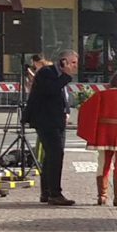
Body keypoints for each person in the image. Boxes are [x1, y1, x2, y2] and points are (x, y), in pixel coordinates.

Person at [24, 50, 77, 206]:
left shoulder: (59, 77)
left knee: (51, 156)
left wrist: (66, 111)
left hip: (58, 120)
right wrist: (66, 76)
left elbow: (62, 96)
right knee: (55, 154)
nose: (75, 66)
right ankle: (55, 193)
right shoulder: (47, 73)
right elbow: (51, 91)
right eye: (73, 63)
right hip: (46, 120)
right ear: (63, 62)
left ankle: (47, 192)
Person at [77, 79, 117, 207]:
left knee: (103, 164)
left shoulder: (101, 94)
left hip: (104, 132)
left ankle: (102, 196)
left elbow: (85, 110)